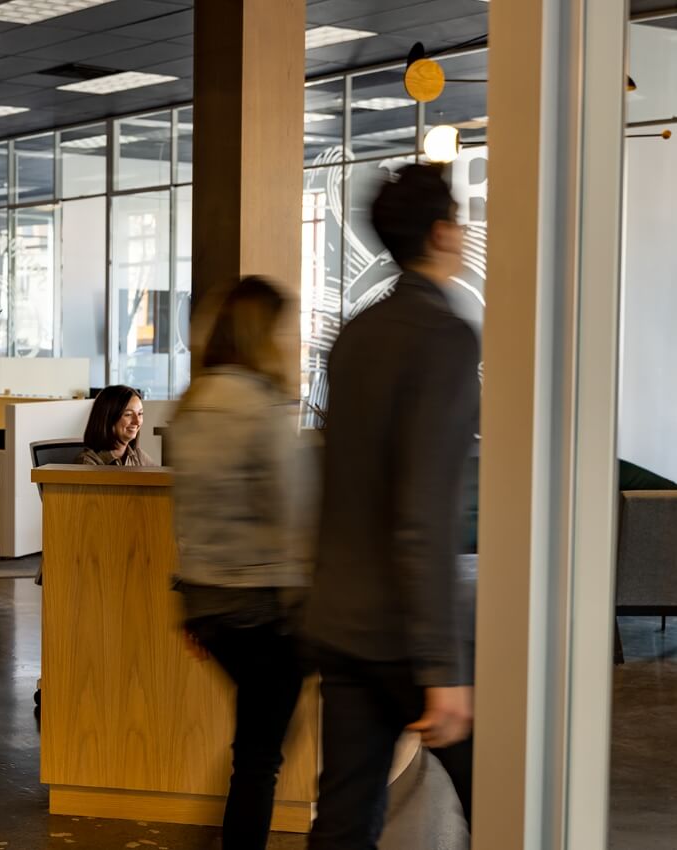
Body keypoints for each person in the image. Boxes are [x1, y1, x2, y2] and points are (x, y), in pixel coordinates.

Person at [306, 163, 479, 848]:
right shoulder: (445, 338)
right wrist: (442, 669)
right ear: (441, 233)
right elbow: (424, 513)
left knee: (344, 822)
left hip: (340, 622)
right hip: (403, 638)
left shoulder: (355, 336)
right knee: (502, 796)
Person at [171, 277, 312, 849]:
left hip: (210, 603)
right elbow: (289, 513)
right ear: (264, 333)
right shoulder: (261, 407)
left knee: (256, 747)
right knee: (260, 757)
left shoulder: (192, 404)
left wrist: (194, 607)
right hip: (263, 607)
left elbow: (186, 514)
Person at [75, 385, 155, 466]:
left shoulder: (137, 456)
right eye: (128, 414)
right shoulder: (87, 463)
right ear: (107, 418)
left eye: (140, 413)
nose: (137, 421)